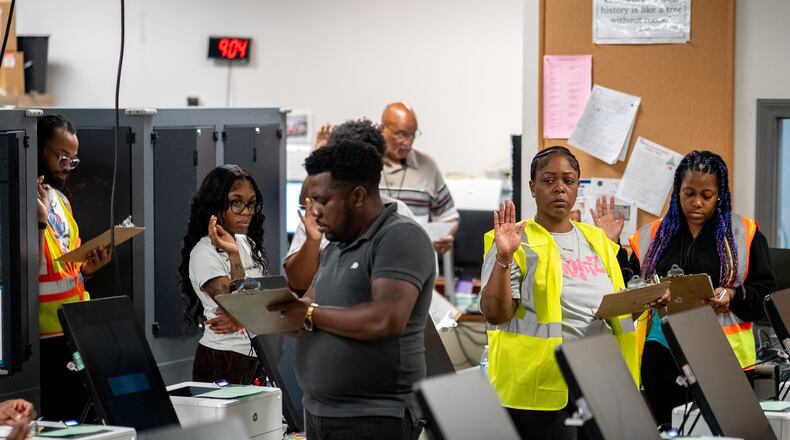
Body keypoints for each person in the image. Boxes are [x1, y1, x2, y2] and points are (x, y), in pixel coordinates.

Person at [271, 140, 436, 440]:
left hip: (374, 417)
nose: (315, 212)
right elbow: (312, 308)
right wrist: (274, 311)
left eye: (322, 201)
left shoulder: (399, 237)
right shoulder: (335, 245)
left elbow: (385, 318)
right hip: (321, 414)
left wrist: (307, 313)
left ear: (358, 196)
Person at [479, 146, 646, 440]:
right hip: (542, 389)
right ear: (533, 186)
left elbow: (613, 312)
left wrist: (645, 301)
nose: (559, 188)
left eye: (568, 181)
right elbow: (495, 314)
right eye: (548, 180)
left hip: (600, 381)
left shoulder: (597, 239)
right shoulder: (515, 240)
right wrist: (504, 258)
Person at [622, 150, 775, 426]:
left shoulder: (745, 233)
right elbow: (628, 287)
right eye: (688, 193)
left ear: (720, 195)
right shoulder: (651, 237)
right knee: (671, 430)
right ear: (677, 191)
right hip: (663, 356)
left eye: (707, 195)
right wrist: (649, 294)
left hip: (724, 358)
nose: (696, 203)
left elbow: (764, 295)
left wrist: (731, 295)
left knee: (724, 432)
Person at [36, 114, 113, 420]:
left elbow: (66, 263)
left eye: (73, 159)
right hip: (41, 334)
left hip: (75, 324)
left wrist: (89, 268)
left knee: (80, 416)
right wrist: (37, 220)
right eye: (61, 156)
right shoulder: (20, 198)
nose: (67, 165)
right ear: (38, 148)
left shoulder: (61, 202)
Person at [284, 118, 417, 292]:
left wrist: (310, 311)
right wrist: (312, 242)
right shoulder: (319, 215)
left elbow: (384, 309)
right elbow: (298, 284)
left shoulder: (399, 217)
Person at [178, 165, 268, 383]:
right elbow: (235, 305)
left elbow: (268, 300)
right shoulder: (203, 252)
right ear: (216, 204)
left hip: (256, 355)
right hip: (222, 358)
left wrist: (243, 318)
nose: (246, 211)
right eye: (236, 202)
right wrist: (234, 256)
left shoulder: (247, 242)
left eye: (251, 203)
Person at [379, 102, 459, 254]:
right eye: (401, 134)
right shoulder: (366, 165)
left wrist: (447, 236)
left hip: (418, 265)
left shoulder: (428, 167)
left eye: (412, 134)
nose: (408, 142)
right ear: (382, 129)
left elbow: (449, 218)